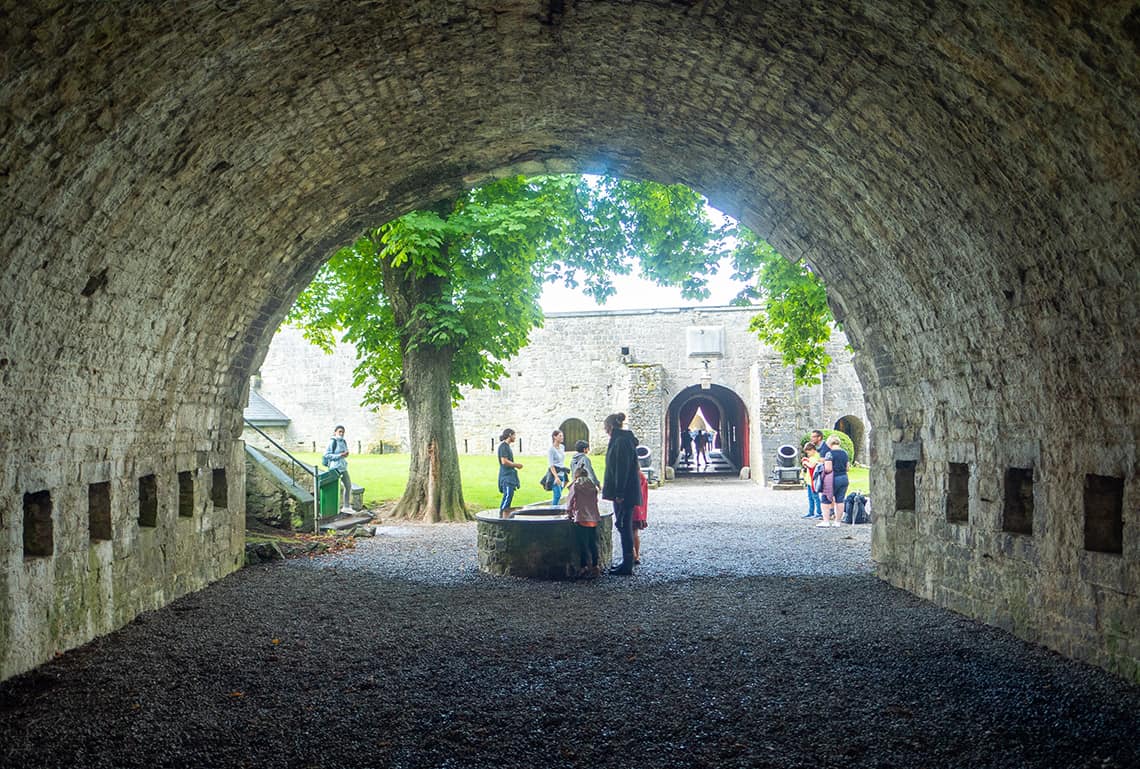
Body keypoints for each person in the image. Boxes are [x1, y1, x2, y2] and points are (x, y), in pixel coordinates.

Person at [602, 412, 642, 575]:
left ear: (610, 426)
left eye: (605, 427)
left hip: (624, 493)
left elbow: (621, 469)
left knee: (624, 525)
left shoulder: (620, 441)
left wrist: (619, 492)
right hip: (625, 491)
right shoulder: (621, 440)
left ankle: (627, 564)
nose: (605, 430)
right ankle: (626, 561)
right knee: (623, 525)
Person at [564, 466, 601, 578]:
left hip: (581, 517)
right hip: (594, 518)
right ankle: (595, 566)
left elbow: (570, 501)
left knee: (583, 544)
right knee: (592, 543)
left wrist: (569, 513)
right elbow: (595, 500)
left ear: (576, 475)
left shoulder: (575, 485)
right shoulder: (592, 486)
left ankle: (584, 567)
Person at [817, 435, 850, 528]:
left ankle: (826, 521)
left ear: (829, 443)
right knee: (840, 500)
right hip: (844, 478)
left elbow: (828, 469)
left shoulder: (829, 454)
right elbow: (847, 468)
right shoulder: (845, 453)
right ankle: (837, 522)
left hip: (833, 479)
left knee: (825, 499)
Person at [323, 425, 353, 513]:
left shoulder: (344, 441)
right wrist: (339, 455)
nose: (341, 433)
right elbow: (326, 455)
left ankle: (346, 506)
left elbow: (344, 452)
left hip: (343, 467)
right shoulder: (332, 442)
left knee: (348, 485)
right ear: (335, 432)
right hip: (334, 468)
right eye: (340, 431)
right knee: (333, 488)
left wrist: (345, 454)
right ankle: (330, 509)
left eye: (343, 432)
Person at [497, 428, 523, 516]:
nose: (515, 437)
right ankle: (501, 517)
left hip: (510, 476)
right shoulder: (503, 446)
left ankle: (505, 517)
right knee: (507, 496)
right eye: (514, 435)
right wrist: (516, 465)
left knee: (509, 496)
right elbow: (504, 461)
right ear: (510, 435)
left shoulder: (507, 446)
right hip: (506, 477)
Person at [547, 429, 570, 505]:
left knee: (558, 494)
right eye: (560, 436)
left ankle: (554, 509)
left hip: (562, 473)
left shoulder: (562, 447)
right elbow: (551, 465)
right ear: (555, 437)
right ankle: (552, 511)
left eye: (562, 436)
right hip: (555, 474)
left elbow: (561, 461)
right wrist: (556, 477)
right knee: (558, 495)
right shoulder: (551, 450)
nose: (562, 437)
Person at [801, 443, 823, 519]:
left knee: (815, 497)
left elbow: (812, 465)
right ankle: (811, 512)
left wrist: (805, 462)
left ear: (813, 450)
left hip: (814, 480)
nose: (808, 454)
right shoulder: (812, 457)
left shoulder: (816, 456)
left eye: (808, 452)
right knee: (810, 497)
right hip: (809, 480)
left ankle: (819, 512)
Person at [631, 468, 649, 564]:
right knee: (635, 533)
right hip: (639, 510)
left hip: (632, 508)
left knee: (629, 533)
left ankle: (633, 555)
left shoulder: (632, 476)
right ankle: (637, 555)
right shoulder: (641, 475)